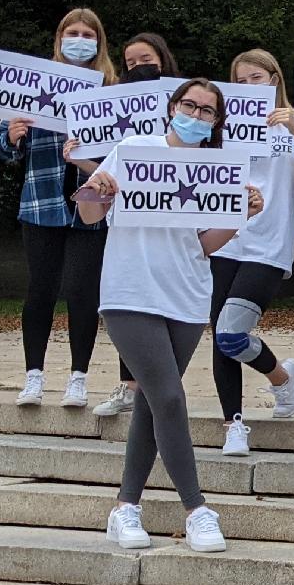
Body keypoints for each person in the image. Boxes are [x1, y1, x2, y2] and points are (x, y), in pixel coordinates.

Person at [83, 78, 263, 554]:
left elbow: (204, 245)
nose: (198, 115)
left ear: (217, 122)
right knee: (168, 395)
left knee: (152, 402)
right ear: (172, 107)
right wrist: (98, 190)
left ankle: (125, 508)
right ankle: (197, 509)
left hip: (185, 295)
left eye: (208, 111)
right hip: (130, 293)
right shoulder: (133, 149)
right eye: (191, 105)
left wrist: (241, 214)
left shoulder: (217, 169)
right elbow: (88, 214)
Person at [209, 49, 294, 456]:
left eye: (255, 78)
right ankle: (234, 423)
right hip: (225, 238)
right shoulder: (223, 126)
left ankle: (279, 378)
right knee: (220, 335)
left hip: (270, 244)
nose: (248, 87)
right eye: (239, 81)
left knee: (231, 331)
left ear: (275, 79)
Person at [0, 8, 114, 412]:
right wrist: (12, 136)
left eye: (88, 34)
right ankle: (34, 375)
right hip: (41, 201)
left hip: (91, 203)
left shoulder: (110, 89)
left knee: (83, 292)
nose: (79, 39)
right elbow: (1, 147)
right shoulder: (31, 84)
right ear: (59, 37)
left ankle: (78, 377)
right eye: (72, 32)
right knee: (40, 290)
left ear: (99, 42)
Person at [88, 33, 178, 421]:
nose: (138, 66)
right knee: (132, 302)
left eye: (147, 58)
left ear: (164, 59)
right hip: (133, 223)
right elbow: (102, 182)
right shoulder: (118, 119)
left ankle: (160, 383)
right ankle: (130, 385)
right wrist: (79, 161)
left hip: (177, 227)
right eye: (130, 62)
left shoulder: (188, 108)